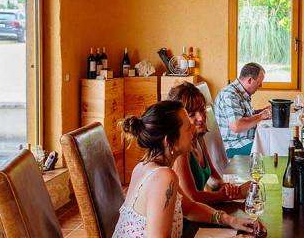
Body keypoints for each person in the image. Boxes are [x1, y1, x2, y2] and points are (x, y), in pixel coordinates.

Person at [112, 101, 254, 238]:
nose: (193, 128)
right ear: (169, 141)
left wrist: (230, 220)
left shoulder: (143, 166)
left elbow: (190, 207)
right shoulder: (164, 177)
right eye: (187, 127)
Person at [169, 82, 251, 205]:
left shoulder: (198, 138)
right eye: (192, 114)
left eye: (202, 110)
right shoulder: (181, 150)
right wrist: (236, 193)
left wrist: (227, 188)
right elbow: (192, 198)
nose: (201, 118)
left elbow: (214, 176)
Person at [215, 62, 271, 157]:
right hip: (233, 146)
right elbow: (236, 125)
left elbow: (245, 115)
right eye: (259, 82)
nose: (260, 86)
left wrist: (261, 111)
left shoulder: (241, 92)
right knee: (270, 147)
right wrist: (261, 116)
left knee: (270, 141)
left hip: (244, 140)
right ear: (250, 80)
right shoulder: (230, 95)